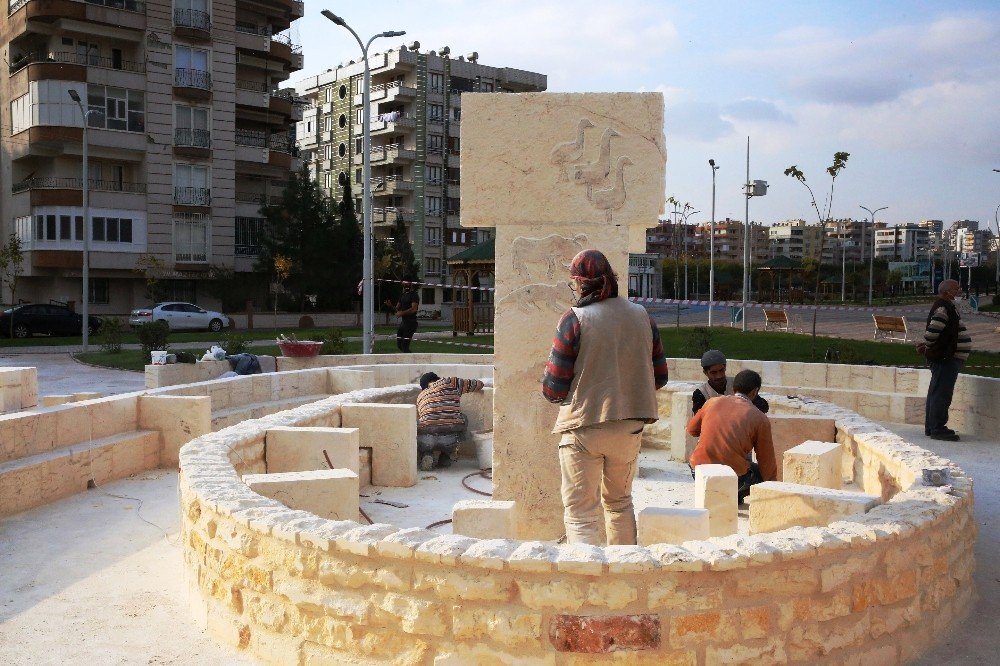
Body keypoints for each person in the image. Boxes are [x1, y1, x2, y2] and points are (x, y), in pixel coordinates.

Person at [541, 249, 669, 546]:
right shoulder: (642, 317)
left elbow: (553, 389)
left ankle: (587, 584)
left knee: (580, 513)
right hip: (629, 429)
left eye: (573, 282)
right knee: (620, 503)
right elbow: (659, 377)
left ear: (581, 282)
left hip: (583, 429)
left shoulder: (574, 320)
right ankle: (622, 579)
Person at [686, 369, 777, 503]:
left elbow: (692, 430)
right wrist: (772, 488)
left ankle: (723, 496)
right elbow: (766, 460)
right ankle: (733, 497)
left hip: (698, 470)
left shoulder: (712, 402)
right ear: (755, 392)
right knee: (759, 473)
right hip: (733, 477)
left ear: (734, 388)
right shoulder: (760, 418)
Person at [916, 279, 972, 441]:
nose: (959, 291)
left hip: (946, 358)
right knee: (941, 394)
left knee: (937, 393)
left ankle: (932, 427)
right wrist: (927, 346)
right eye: (956, 288)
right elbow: (932, 332)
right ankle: (938, 428)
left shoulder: (948, 306)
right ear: (947, 292)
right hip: (945, 358)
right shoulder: (943, 307)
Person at [415, 372, 486, 469]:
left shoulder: (421, 395)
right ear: (437, 379)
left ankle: (427, 454)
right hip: (451, 437)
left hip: (427, 440)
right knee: (462, 418)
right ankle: (446, 455)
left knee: (421, 423)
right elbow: (479, 384)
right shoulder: (451, 382)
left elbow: (424, 416)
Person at [692, 349, 769, 415]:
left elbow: (763, 407)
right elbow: (698, 419)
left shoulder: (738, 383)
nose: (719, 376)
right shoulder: (701, 393)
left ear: (725, 367)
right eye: (713, 372)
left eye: (721, 370)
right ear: (705, 373)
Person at [385, 282, 419, 353]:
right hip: (403, 323)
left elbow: (414, 309)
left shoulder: (414, 295)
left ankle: (411, 361)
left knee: (404, 346)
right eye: (404, 284)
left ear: (411, 284)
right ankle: (410, 358)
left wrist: (402, 313)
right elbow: (397, 309)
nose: (405, 286)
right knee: (399, 345)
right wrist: (390, 306)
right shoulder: (403, 295)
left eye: (407, 284)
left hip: (411, 323)